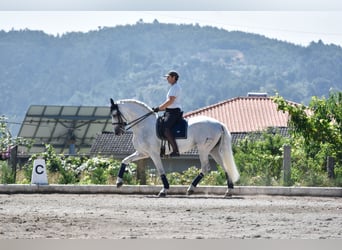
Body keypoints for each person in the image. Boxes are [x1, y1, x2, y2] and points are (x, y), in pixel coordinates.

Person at [153, 70, 182, 157]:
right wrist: (158, 109)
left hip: (174, 112)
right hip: (169, 111)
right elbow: (170, 104)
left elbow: (170, 101)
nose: (167, 79)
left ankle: (175, 150)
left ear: (173, 77)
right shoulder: (173, 87)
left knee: (166, 128)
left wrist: (159, 107)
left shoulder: (175, 88)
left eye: (168, 77)